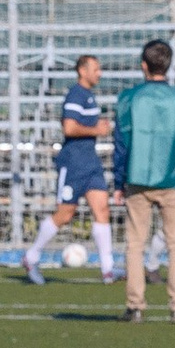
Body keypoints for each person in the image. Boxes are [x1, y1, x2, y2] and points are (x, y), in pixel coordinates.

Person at [113, 39, 175, 326]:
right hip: (172, 178)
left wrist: (118, 181)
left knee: (135, 244)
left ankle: (135, 306)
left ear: (144, 65)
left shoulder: (129, 99)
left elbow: (121, 144)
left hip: (137, 178)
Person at [23, 55, 110, 285]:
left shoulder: (89, 96)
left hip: (91, 162)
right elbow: (69, 128)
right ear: (82, 71)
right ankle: (32, 257)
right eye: (95, 69)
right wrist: (97, 130)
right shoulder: (75, 95)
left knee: (102, 210)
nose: (99, 73)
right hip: (73, 164)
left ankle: (108, 270)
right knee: (65, 214)